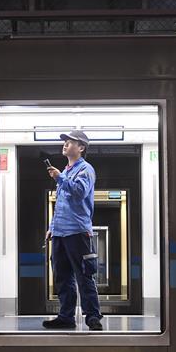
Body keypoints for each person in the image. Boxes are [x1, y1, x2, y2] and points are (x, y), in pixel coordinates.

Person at [42, 130, 103, 331]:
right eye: (65, 142)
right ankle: (66, 317)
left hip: (78, 232)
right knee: (62, 277)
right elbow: (61, 204)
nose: (65, 144)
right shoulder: (66, 171)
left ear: (81, 147)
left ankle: (93, 317)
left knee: (84, 275)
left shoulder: (85, 169)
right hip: (60, 233)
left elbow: (79, 192)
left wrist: (59, 178)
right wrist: (52, 228)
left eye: (70, 142)